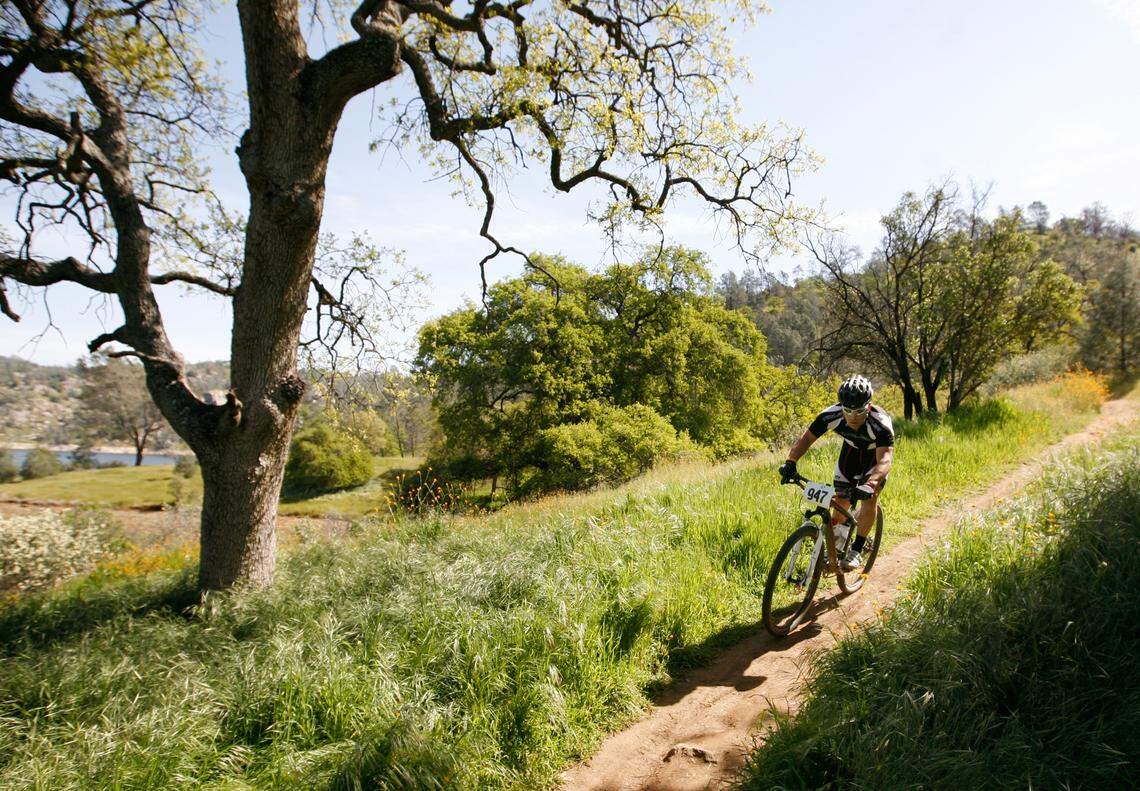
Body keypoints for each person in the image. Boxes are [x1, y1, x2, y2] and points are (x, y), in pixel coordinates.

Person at [778, 374, 894, 571]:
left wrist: (871, 483)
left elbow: (885, 459)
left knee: (870, 498)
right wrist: (791, 462)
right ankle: (835, 547)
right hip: (849, 456)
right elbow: (806, 439)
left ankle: (857, 549)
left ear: (869, 405)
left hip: (873, 461)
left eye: (859, 411)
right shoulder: (830, 415)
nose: (853, 416)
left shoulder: (880, 423)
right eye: (848, 410)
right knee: (840, 503)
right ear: (841, 406)